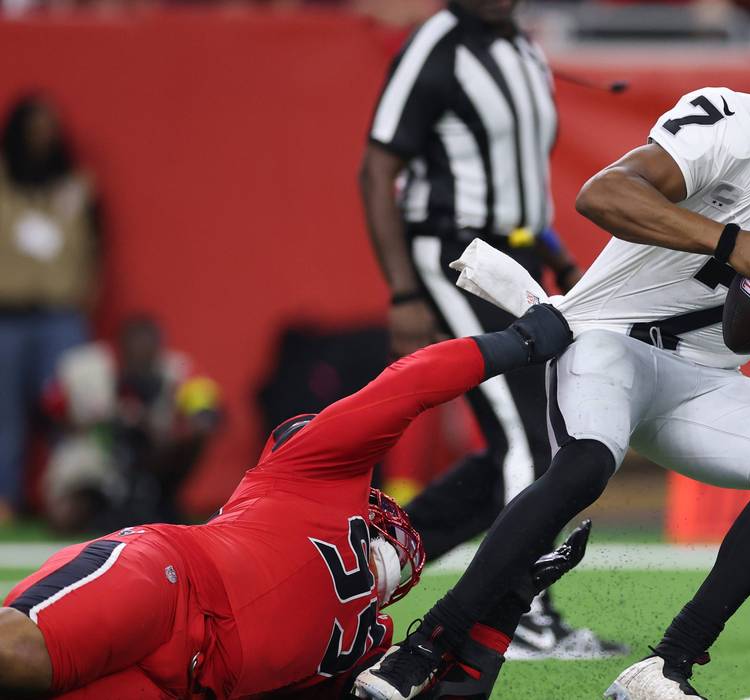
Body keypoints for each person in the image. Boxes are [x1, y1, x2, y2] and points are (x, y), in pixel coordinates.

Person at [353, 0, 750, 697]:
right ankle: (424, 649)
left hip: (703, 376)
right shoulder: (735, 127)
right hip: (607, 342)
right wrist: (732, 243)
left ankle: (663, 668)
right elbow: (602, 193)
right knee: (582, 465)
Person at [0, 304, 578, 699]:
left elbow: (444, 691)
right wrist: (518, 341)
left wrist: (505, 606)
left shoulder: (371, 642)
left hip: (187, 684)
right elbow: (407, 384)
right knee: (16, 653)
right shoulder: (316, 475)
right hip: (167, 585)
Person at [358, 0, 618, 660]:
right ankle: (518, 616)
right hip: (454, 256)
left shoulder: (523, 49)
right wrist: (403, 292)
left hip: (518, 253)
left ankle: (374, 561)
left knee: (529, 437)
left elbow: (517, 179)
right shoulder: (437, 45)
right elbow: (376, 170)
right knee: (528, 434)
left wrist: (555, 250)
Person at [0, 94, 99, 527]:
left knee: (69, 412)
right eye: (34, 130)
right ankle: (6, 499)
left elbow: (99, 247)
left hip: (62, 316)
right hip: (8, 315)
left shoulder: (77, 187)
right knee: (6, 415)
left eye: (50, 130)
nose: (43, 139)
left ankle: (67, 499)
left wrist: (85, 292)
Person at [40, 315, 222, 533]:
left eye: (148, 351)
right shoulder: (84, 368)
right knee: (65, 518)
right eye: (134, 350)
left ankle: (162, 501)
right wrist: (107, 420)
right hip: (94, 452)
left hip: (154, 456)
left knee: (195, 438)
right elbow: (49, 412)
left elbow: (207, 409)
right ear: (119, 347)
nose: (141, 358)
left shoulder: (176, 369)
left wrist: (171, 431)